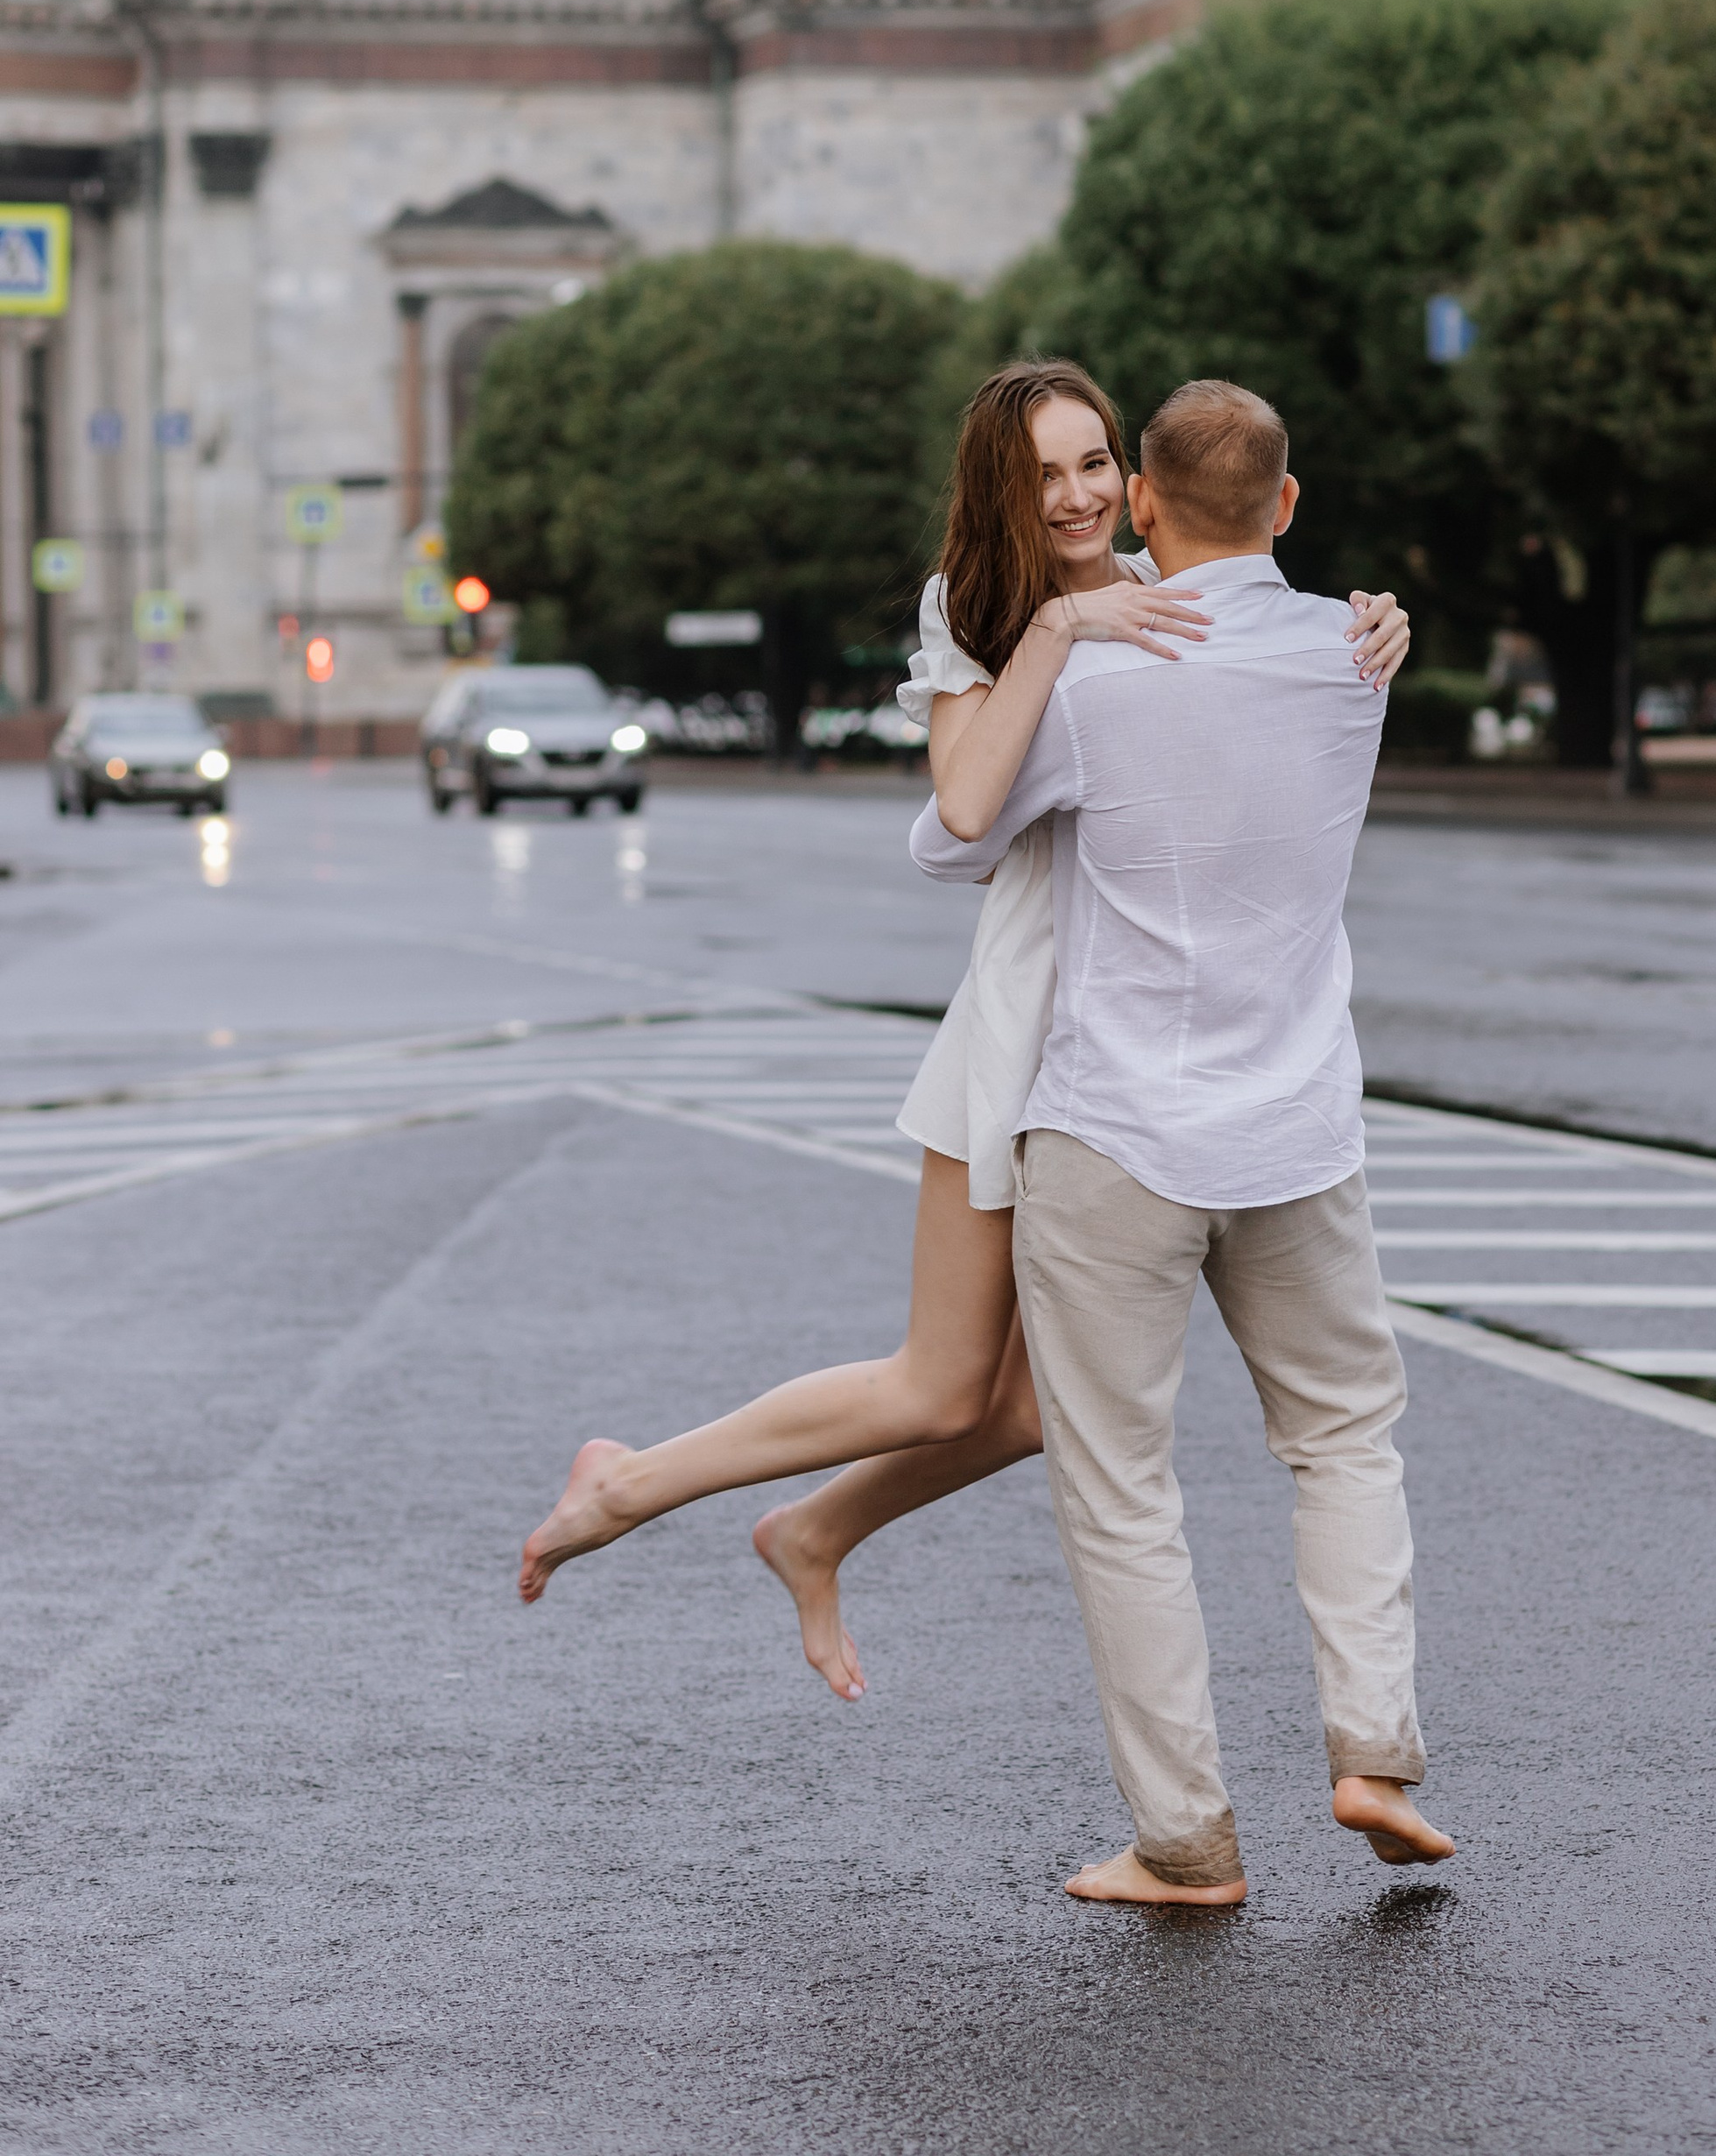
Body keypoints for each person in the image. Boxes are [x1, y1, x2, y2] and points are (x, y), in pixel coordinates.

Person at [517, 363, 1409, 1681]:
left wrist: (1377, 623)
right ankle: (627, 1484)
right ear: (1001, 490)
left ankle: (813, 1531)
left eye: (1095, 464)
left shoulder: (1172, 581)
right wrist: (1060, 632)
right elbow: (962, 816)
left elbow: (1264, 660)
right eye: (1044, 474)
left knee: (1032, 1414)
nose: (1077, 496)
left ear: (1139, 486)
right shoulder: (978, 608)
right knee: (939, 1385)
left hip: (1135, 1052)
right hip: (1025, 1027)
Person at [911, 378, 1451, 1905]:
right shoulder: (1356, 655)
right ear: (1289, 505)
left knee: (1123, 1492)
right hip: (1298, 1133)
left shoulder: (1096, 678)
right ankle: (1373, 1753)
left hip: (1116, 1134)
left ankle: (1187, 1840)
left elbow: (951, 836)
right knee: (1344, 1439)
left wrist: (1053, 643)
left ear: (1141, 503)